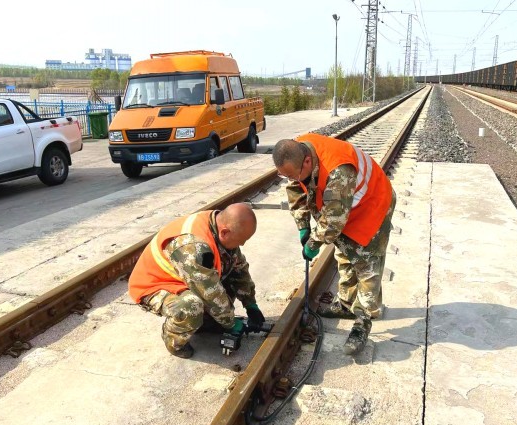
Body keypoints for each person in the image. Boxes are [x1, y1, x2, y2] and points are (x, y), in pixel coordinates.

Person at [272, 133, 396, 355]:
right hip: (345, 207)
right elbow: (295, 188)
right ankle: (347, 304)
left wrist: (314, 242)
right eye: (285, 175)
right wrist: (303, 225)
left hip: (372, 206)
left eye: (292, 174)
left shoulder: (339, 170)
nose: (290, 179)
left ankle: (363, 320)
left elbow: (333, 221)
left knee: (367, 266)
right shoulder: (298, 151)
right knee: (345, 254)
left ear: (307, 162)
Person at [128, 203, 265, 358]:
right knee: (191, 305)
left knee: (227, 273)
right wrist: (230, 322)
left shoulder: (219, 224)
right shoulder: (193, 247)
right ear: (225, 233)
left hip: (188, 279)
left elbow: (239, 269)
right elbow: (210, 293)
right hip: (155, 285)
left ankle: (207, 323)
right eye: (241, 240)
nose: (242, 244)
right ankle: (173, 341)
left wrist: (250, 304)